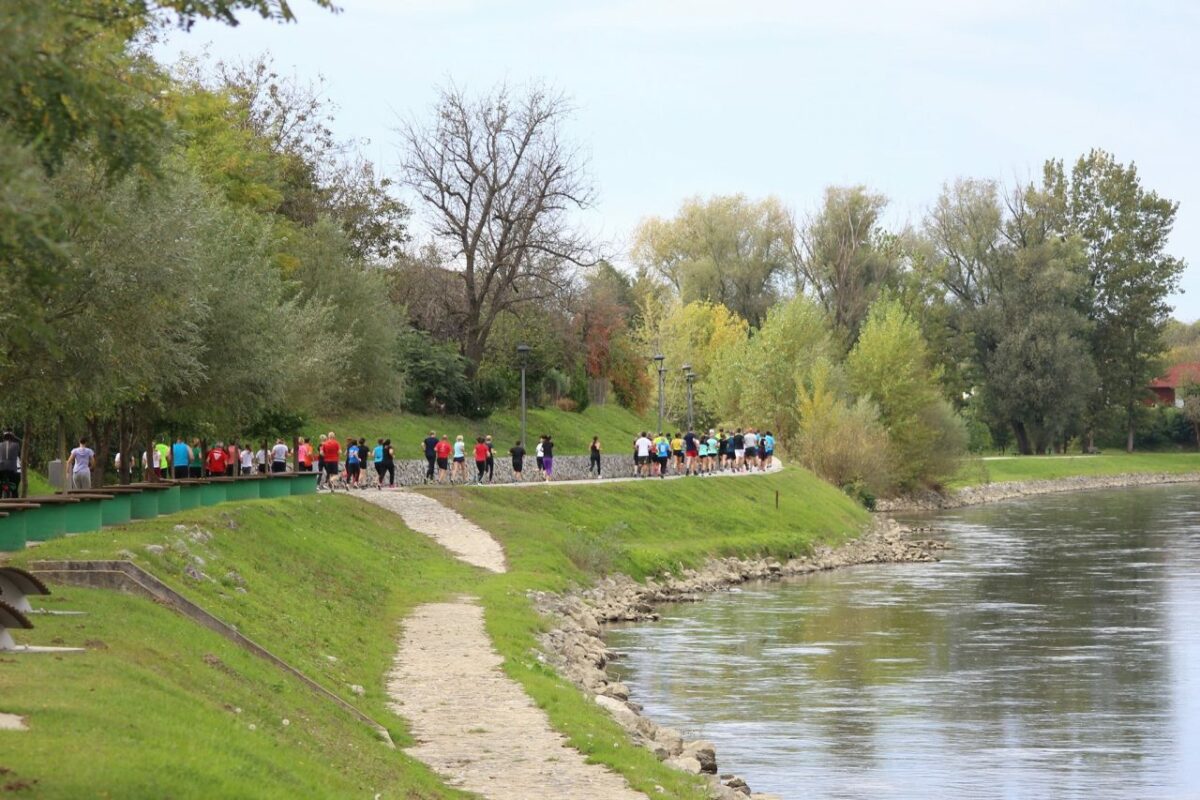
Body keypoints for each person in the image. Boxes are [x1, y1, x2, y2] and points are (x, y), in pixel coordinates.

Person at [0, 431, 22, 498]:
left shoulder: (0, 445)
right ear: (12, 438)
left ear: (4, 438)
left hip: (1, 468)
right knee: (15, 488)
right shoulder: (16, 445)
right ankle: (15, 495)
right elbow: (19, 455)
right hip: (14, 469)